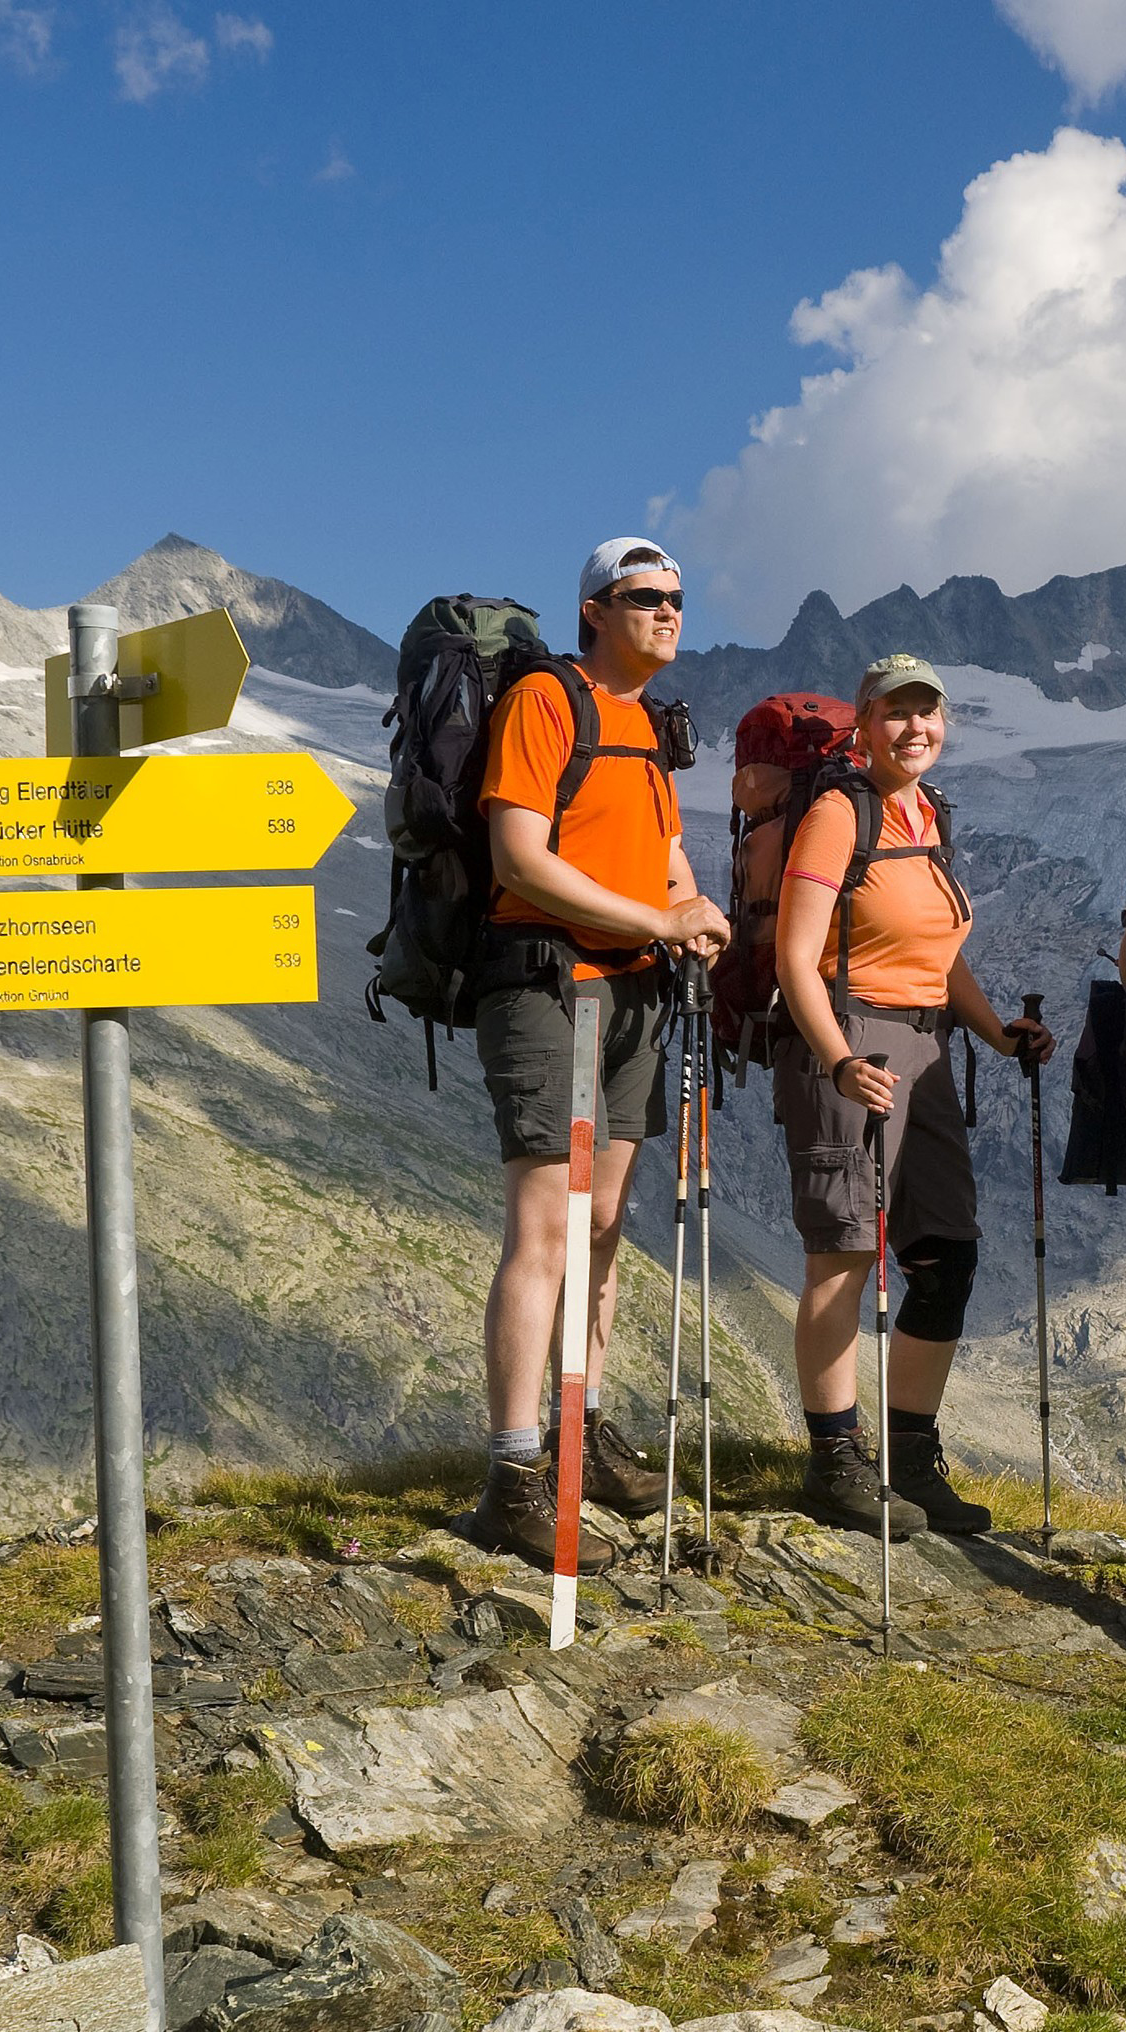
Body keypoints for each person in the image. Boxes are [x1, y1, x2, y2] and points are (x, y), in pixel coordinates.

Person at [464, 537, 729, 1567]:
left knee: (603, 1225)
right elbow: (518, 859)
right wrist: (659, 921)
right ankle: (513, 1475)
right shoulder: (547, 701)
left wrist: (692, 910)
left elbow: (662, 856)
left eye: (676, 598)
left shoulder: (648, 724)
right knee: (545, 1227)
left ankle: (580, 1428)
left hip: (630, 992)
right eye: (644, 596)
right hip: (550, 985)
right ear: (593, 610)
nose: (667, 611)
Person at [771, 652, 1051, 1534]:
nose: (915, 726)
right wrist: (836, 1058)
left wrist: (996, 1032)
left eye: (928, 710)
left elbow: (940, 954)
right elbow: (794, 955)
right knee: (846, 1252)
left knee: (945, 1255)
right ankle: (834, 1461)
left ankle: (909, 1456)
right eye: (896, 711)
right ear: (864, 722)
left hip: (926, 1047)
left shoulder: (929, 815)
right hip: (849, 1037)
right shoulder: (837, 814)